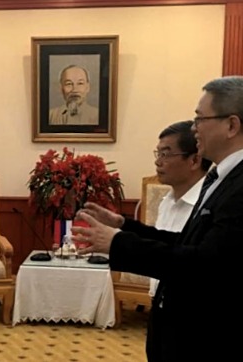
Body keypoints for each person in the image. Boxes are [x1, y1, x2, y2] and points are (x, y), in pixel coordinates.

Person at [72, 75, 243, 361]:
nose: (194, 128)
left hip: (208, 336)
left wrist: (118, 243)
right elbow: (186, 243)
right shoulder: (220, 178)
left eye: (200, 119)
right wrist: (124, 226)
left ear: (232, 125)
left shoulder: (239, 186)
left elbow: (205, 265)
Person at [148, 120, 211, 297]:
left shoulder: (208, 206)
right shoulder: (166, 202)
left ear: (195, 160)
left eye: (166, 155)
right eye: (158, 154)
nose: (158, 162)